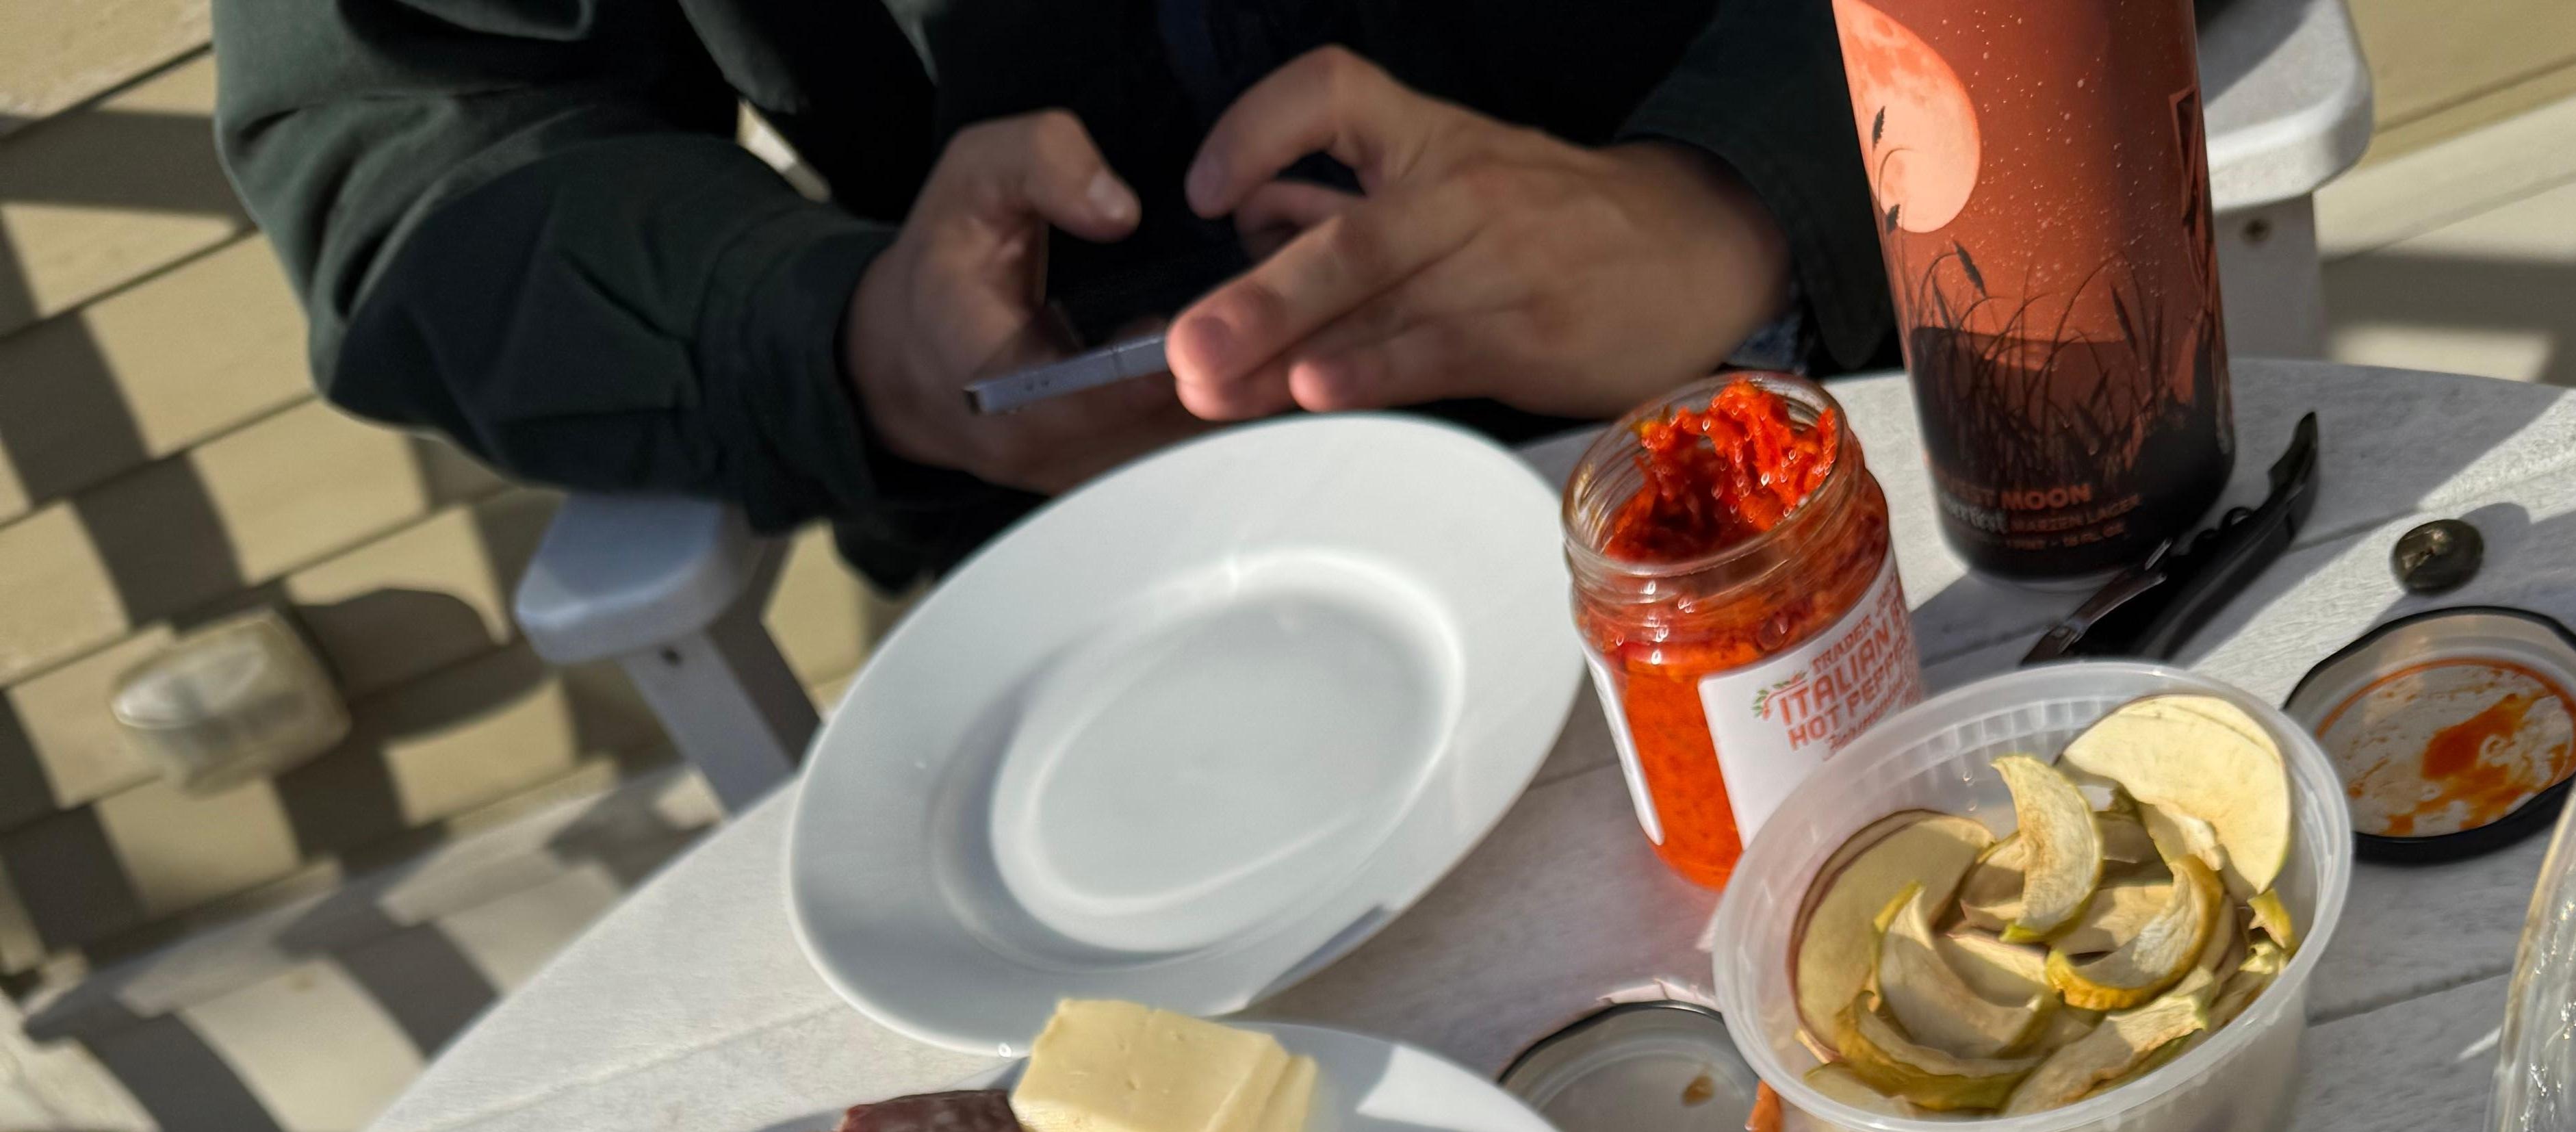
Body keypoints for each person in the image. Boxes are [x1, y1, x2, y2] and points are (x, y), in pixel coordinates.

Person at [216, 8, 1890, 589]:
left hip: (1871, 381)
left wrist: (1739, 189)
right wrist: (850, 339)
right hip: (1108, 594)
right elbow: (409, 139)